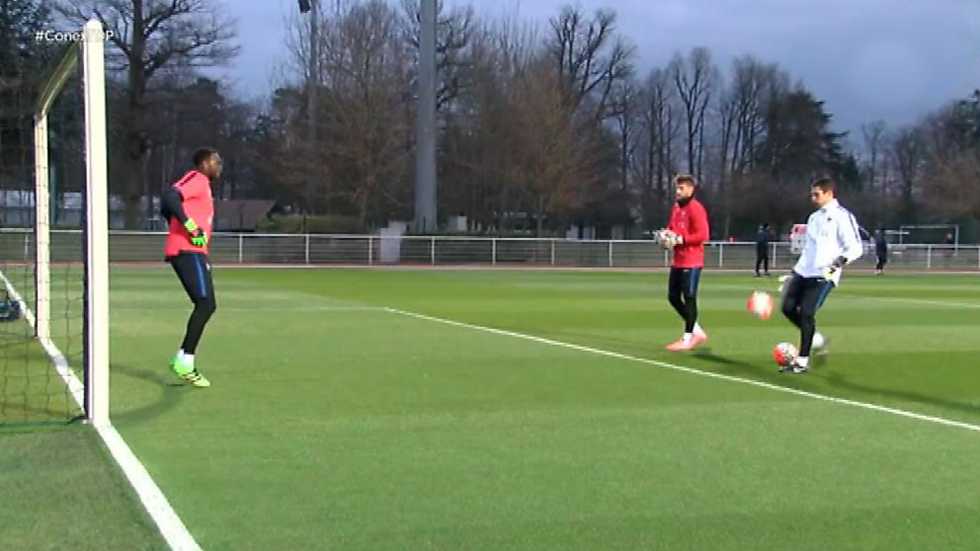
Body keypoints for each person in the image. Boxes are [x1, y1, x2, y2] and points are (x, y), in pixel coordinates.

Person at [780, 177, 862, 373]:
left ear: (829, 193)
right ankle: (817, 339)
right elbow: (809, 249)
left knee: (807, 313)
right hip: (804, 271)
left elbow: (856, 247)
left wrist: (838, 263)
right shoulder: (813, 218)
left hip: (824, 274)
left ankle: (802, 361)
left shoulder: (843, 216)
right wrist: (794, 272)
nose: (813, 198)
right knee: (787, 308)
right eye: (812, 194)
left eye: (816, 194)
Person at [160, 148, 222, 388]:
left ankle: (183, 358)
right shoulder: (197, 179)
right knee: (205, 304)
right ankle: (185, 361)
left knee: (208, 305)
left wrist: (179, 223)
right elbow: (169, 197)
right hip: (187, 251)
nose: (219, 166)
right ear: (204, 163)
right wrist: (189, 227)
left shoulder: (203, 186)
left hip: (195, 251)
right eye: (216, 161)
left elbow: (166, 208)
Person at [661, 174, 710, 352]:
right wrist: (666, 235)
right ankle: (696, 331)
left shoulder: (696, 208)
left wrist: (681, 239)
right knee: (673, 297)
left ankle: (688, 337)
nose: (678, 191)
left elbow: (703, 235)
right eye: (677, 188)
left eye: (681, 188)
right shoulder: (676, 207)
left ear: (691, 189)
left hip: (692, 261)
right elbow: (672, 227)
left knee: (689, 297)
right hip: (678, 260)